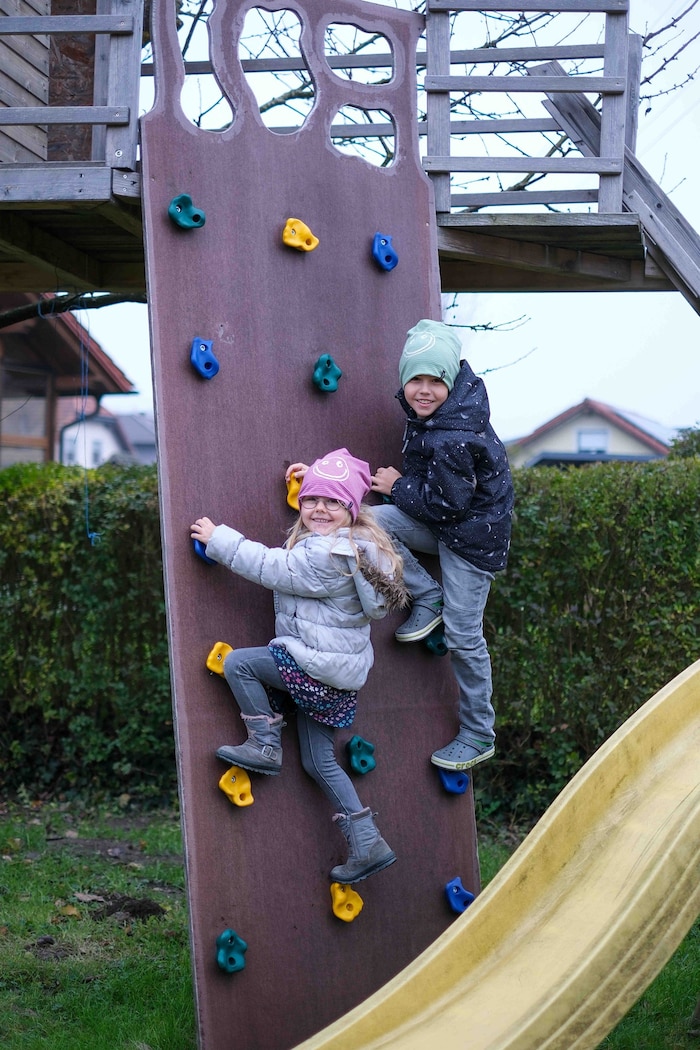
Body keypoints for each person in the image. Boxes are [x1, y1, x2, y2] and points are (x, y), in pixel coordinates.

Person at [190, 448, 407, 884]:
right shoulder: (358, 546)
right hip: (338, 676)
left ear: (351, 511)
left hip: (313, 665)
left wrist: (219, 538)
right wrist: (319, 481)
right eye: (312, 500)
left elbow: (273, 566)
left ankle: (264, 745)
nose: (319, 510)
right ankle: (368, 842)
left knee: (240, 665)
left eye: (332, 503)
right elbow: (333, 503)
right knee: (319, 761)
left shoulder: (327, 557)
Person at [370, 319, 514, 772]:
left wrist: (396, 487)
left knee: (464, 634)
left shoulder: (454, 434)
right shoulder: (434, 418)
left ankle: (478, 733)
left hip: (472, 540)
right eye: (417, 379)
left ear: (452, 382)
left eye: (436, 381)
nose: (425, 390)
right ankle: (427, 595)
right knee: (368, 523)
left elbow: (447, 504)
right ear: (404, 380)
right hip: (451, 524)